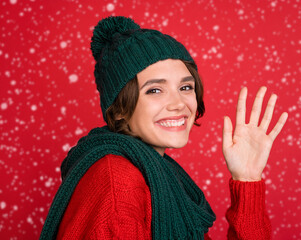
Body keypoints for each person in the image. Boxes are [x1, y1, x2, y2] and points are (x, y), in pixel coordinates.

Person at [40, 16, 288, 240]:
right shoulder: (118, 185)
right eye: (155, 90)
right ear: (119, 107)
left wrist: (246, 179)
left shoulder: (155, 172)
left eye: (185, 87)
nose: (178, 103)